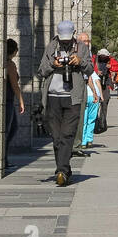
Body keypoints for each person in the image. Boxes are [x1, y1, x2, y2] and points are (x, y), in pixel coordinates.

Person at [38, 20, 91, 186]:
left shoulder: (81, 47)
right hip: (53, 96)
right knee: (56, 137)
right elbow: (41, 70)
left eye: (68, 39)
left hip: (72, 97)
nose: (65, 42)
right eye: (63, 39)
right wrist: (53, 64)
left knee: (67, 134)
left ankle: (61, 171)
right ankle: (64, 169)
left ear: (74, 34)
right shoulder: (51, 46)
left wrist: (79, 61)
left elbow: (90, 69)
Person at [5, 38, 25, 169]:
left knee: (11, 128)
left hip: (7, 100)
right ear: (14, 51)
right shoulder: (10, 64)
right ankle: (4, 158)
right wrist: (21, 101)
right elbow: (15, 85)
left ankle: (4, 157)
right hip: (9, 100)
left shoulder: (4, 62)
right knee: (9, 130)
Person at [80, 53, 104, 152]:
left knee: (84, 120)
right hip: (94, 98)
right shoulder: (93, 73)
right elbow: (98, 84)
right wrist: (101, 96)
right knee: (92, 119)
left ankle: (83, 141)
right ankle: (89, 139)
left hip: (85, 96)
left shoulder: (82, 72)